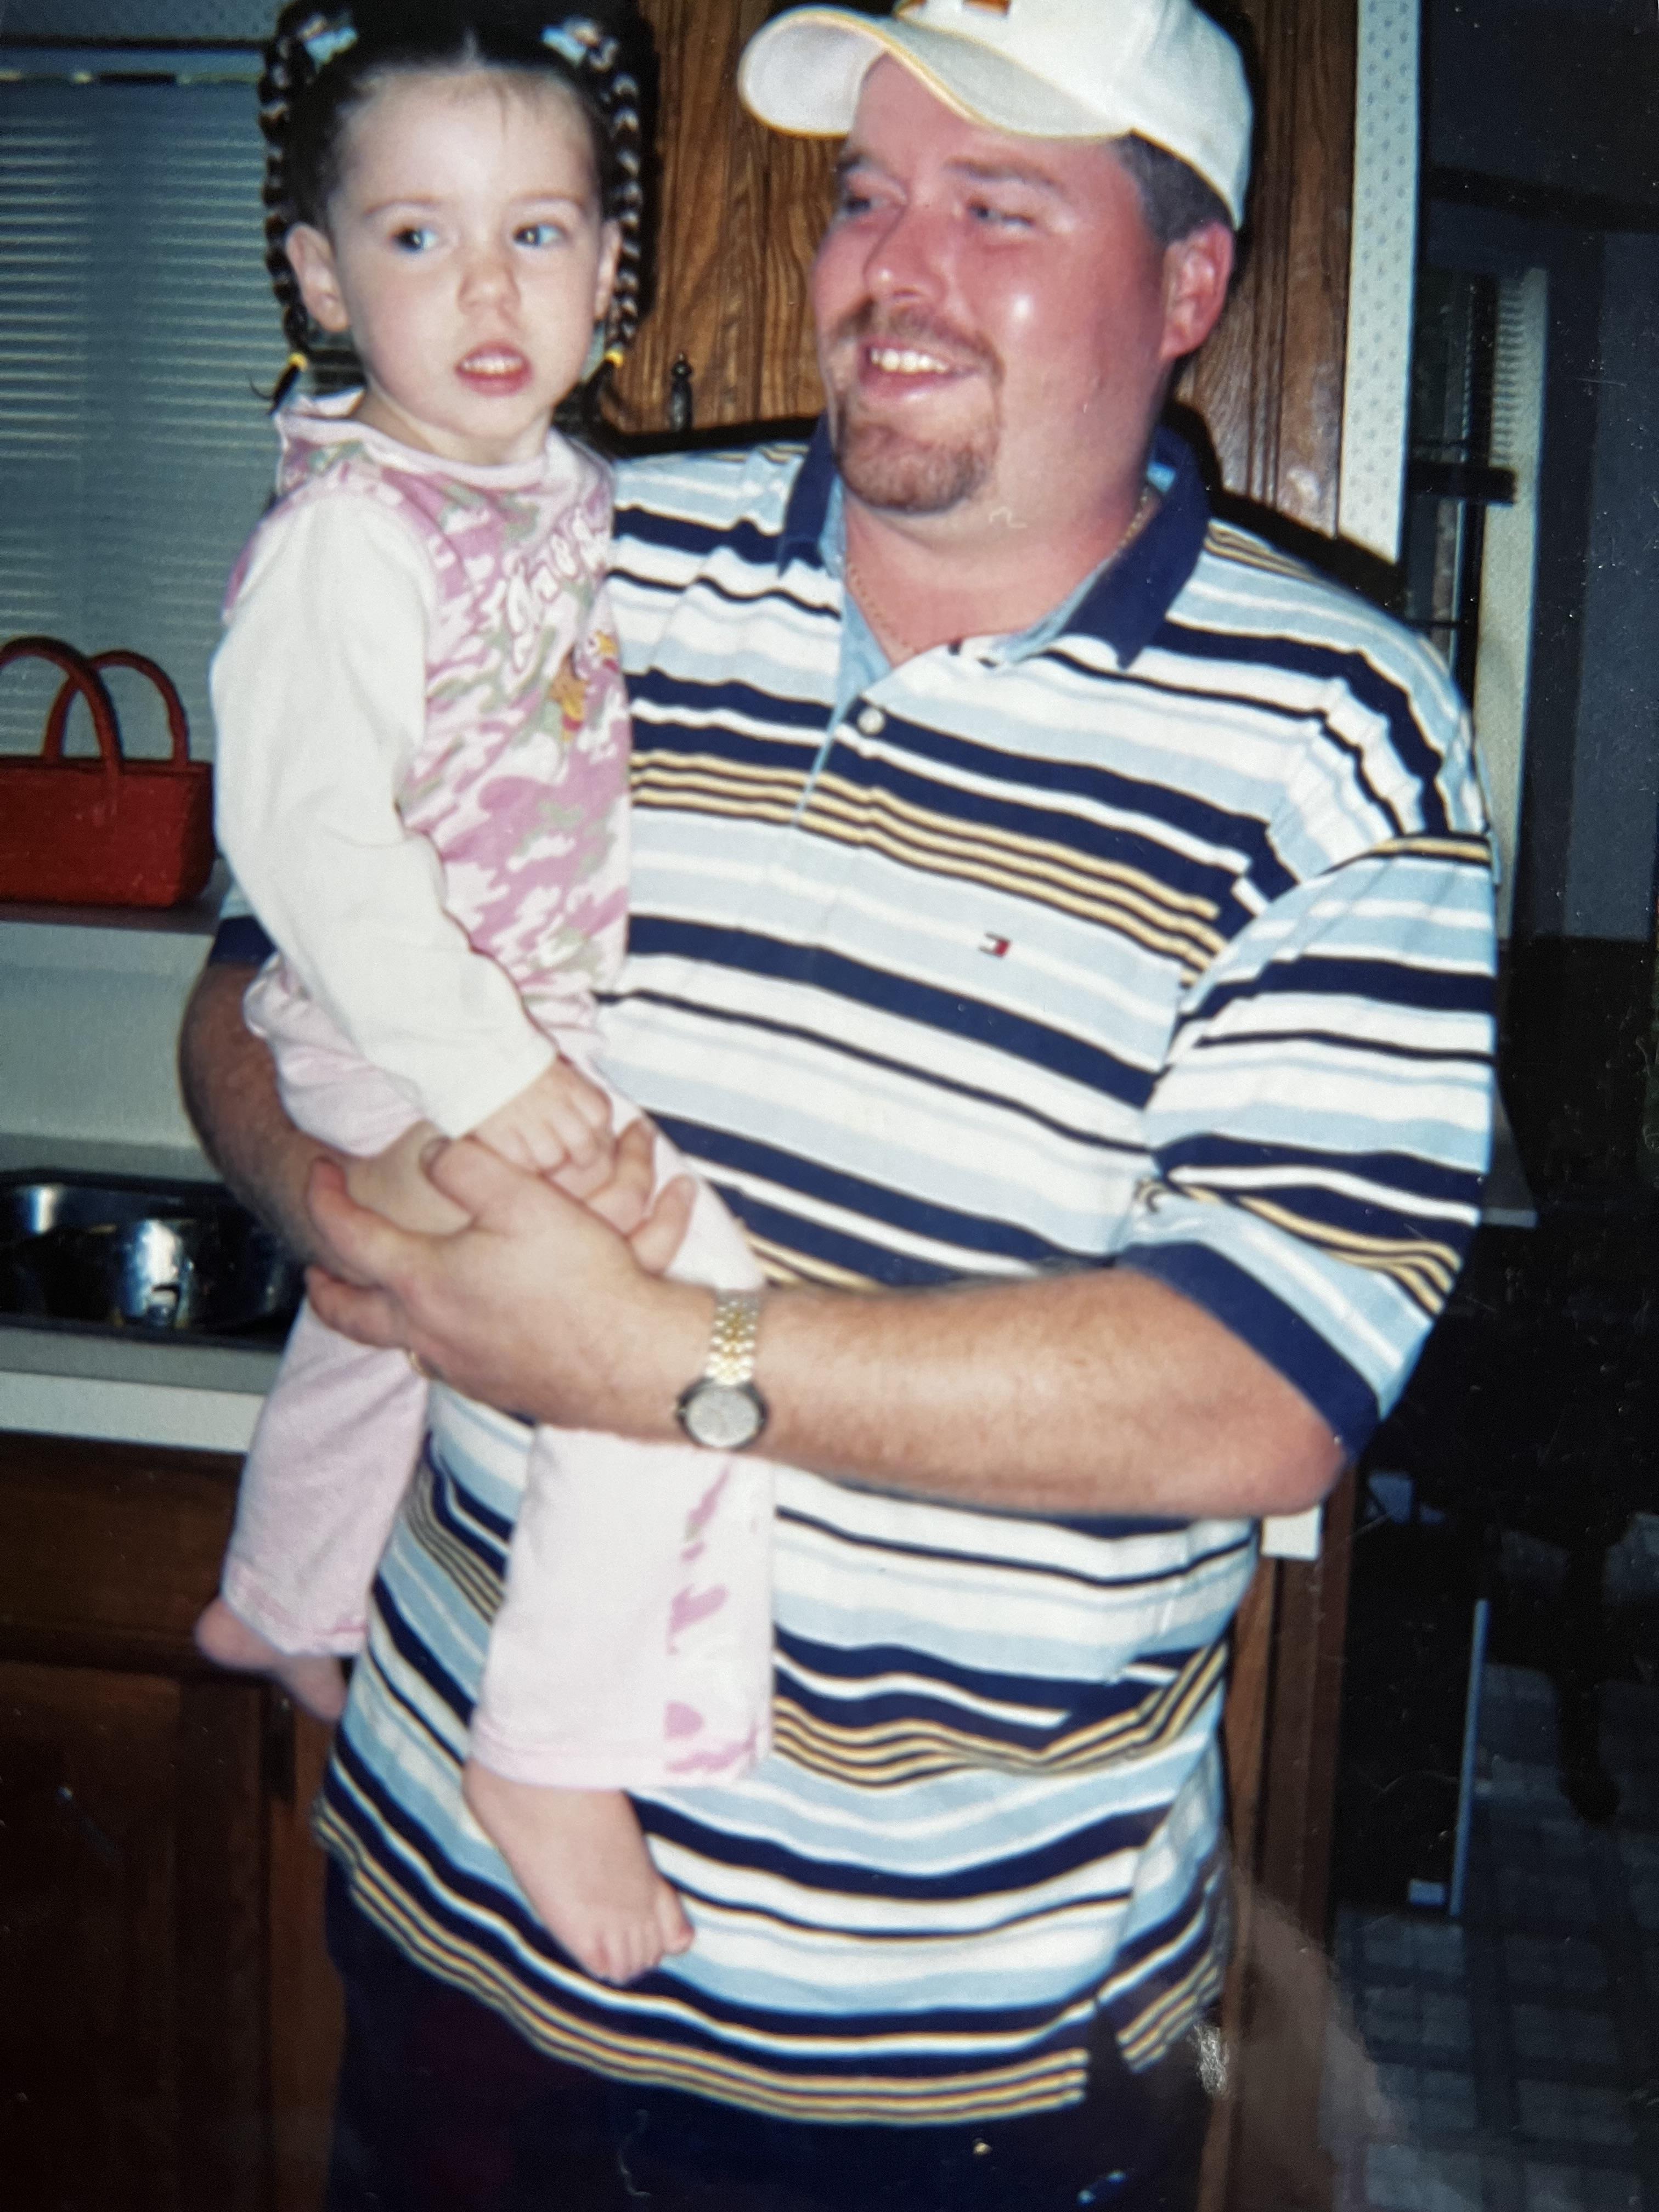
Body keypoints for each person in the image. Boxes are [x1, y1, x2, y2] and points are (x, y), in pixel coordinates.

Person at [180, 0, 1499, 2204]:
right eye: (869, 196)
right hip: (447, 1934)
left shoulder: (1339, 730)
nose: (896, 266)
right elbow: (255, 976)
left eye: (998, 207)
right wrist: (342, 1201)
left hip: (929, 2051)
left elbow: (1268, 1381)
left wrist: (672, 1363)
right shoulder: (573, 545)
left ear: (1189, 286)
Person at [194, 0, 778, 1989]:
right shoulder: (353, 533)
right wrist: (489, 1068)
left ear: (614, 271)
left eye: (538, 231)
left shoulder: (554, 493)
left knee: (380, 1330)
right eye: (418, 237)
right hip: (397, 1029)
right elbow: (304, 847)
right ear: (321, 275)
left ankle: (280, 1599)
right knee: (663, 1282)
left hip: (485, 1015)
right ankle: (552, 1745)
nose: (485, 287)